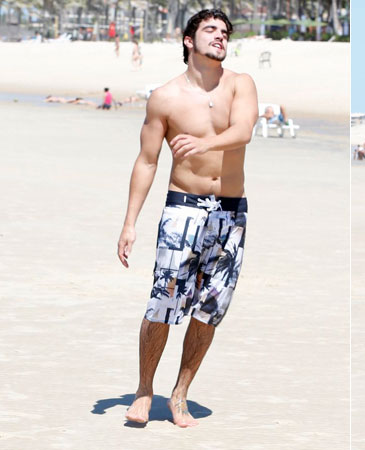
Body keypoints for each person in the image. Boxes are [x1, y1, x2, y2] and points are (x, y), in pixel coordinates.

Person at [117, 9, 258, 427]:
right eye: (210, 30)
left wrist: (204, 143)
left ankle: (180, 394)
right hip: (183, 208)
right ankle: (145, 389)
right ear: (188, 40)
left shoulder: (240, 85)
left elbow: (245, 130)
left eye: (225, 32)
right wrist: (129, 223)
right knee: (163, 302)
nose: (220, 36)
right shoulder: (165, 97)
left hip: (231, 212)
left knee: (210, 308)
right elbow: (146, 162)